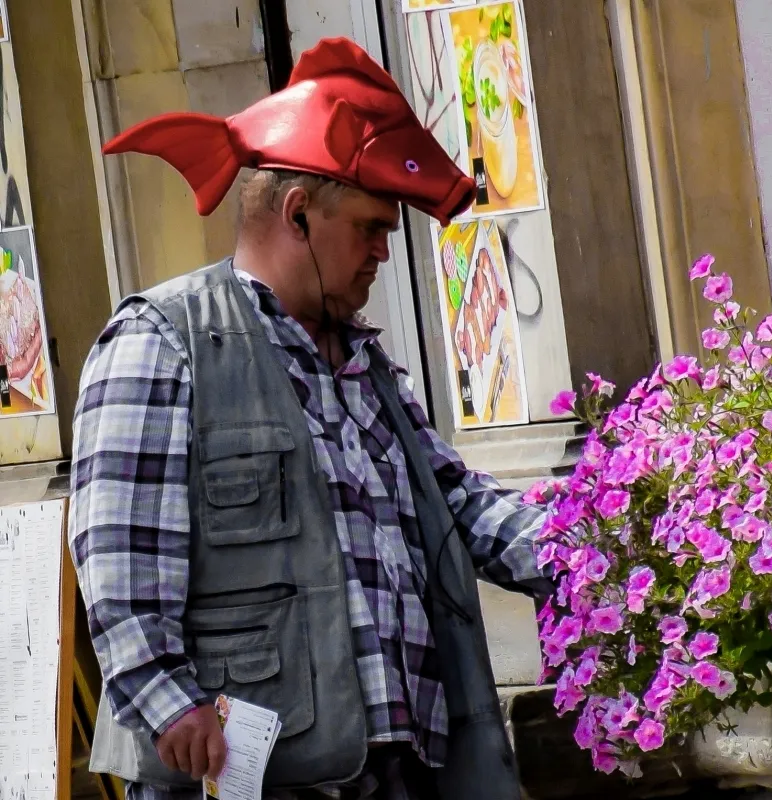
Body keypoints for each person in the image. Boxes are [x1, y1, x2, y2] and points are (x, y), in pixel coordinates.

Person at [69, 37, 553, 800]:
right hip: (246, 776)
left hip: (400, 771)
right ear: (298, 214)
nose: (382, 254)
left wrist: (602, 552)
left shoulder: (364, 365)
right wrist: (174, 705)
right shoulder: (163, 341)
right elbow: (119, 558)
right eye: (370, 227)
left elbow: (459, 502)